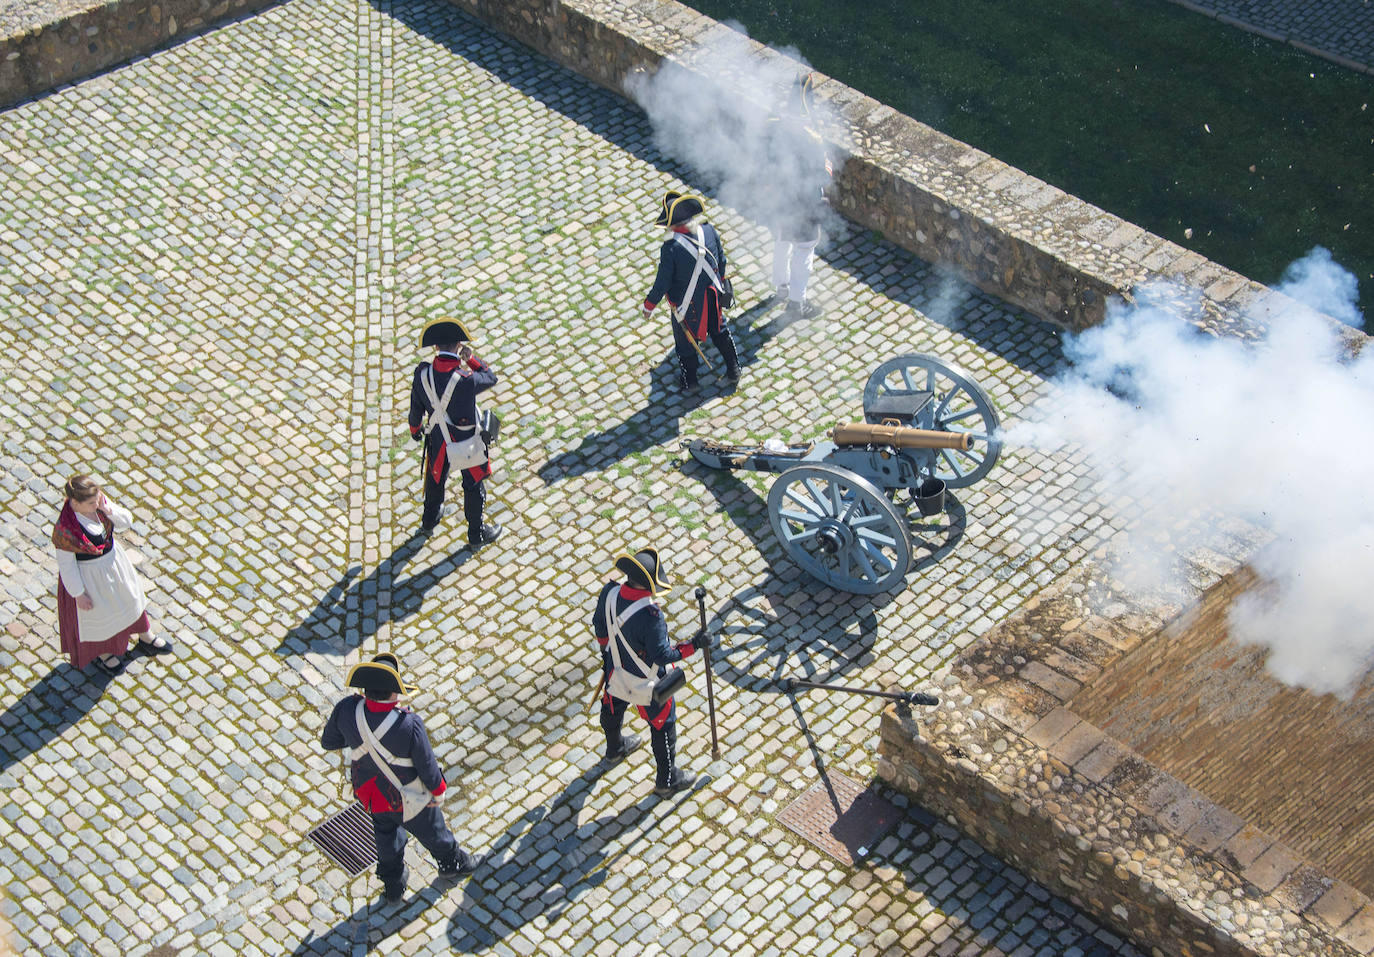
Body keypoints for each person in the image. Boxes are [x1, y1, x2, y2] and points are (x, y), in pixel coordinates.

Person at [320, 653, 482, 905]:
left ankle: (393, 884)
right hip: (408, 799)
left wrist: (356, 741)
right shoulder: (409, 725)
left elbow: (328, 741)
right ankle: (452, 863)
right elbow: (427, 767)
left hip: (372, 795)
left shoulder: (346, 709)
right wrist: (438, 792)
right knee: (434, 832)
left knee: (385, 837)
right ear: (393, 693)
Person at [592, 546, 709, 796]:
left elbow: (600, 627)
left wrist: (607, 655)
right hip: (647, 682)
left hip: (616, 671)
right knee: (663, 725)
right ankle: (667, 780)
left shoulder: (609, 593)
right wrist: (694, 645)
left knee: (612, 707)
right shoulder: (651, 616)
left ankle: (614, 749)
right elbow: (663, 655)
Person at [51, 474, 173, 676]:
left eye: (97, 499)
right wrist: (79, 593)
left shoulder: (99, 503)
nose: (95, 504)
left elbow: (126, 520)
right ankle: (104, 653)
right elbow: (67, 566)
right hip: (91, 577)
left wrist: (107, 509)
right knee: (101, 613)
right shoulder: (66, 530)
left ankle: (145, 636)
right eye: (91, 503)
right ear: (75, 503)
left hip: (115, 564)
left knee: (130, 599)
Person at [408, 317, 502, 545]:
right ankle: (476, 533)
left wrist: (415, 429)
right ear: (458, 346)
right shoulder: (466, 379)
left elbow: (415, 409)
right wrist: (471, 359)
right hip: (465, 441)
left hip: (439, 439)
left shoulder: (422, 375)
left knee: (434, 479)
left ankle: (429, 520)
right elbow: (491, 378)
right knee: (472, 486)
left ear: (436, 347)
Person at [643, 192, 740, 391]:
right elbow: (721, 262)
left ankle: (690, 381)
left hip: (688, 305)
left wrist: (649, 305)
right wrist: (719, 287)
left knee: (685, 343)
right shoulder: (709, 230)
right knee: (720, 331)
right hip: (713, 296)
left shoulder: (670, 249)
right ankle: (734, 369)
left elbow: (663, 282)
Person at [763, 72, 832, 321]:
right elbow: (822, 176)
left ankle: (781, 286)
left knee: (782, 241)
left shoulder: (774, 128)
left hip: (780, 199)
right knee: (804, 250)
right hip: (803, 202)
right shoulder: (812, 140)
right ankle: (797, 302)